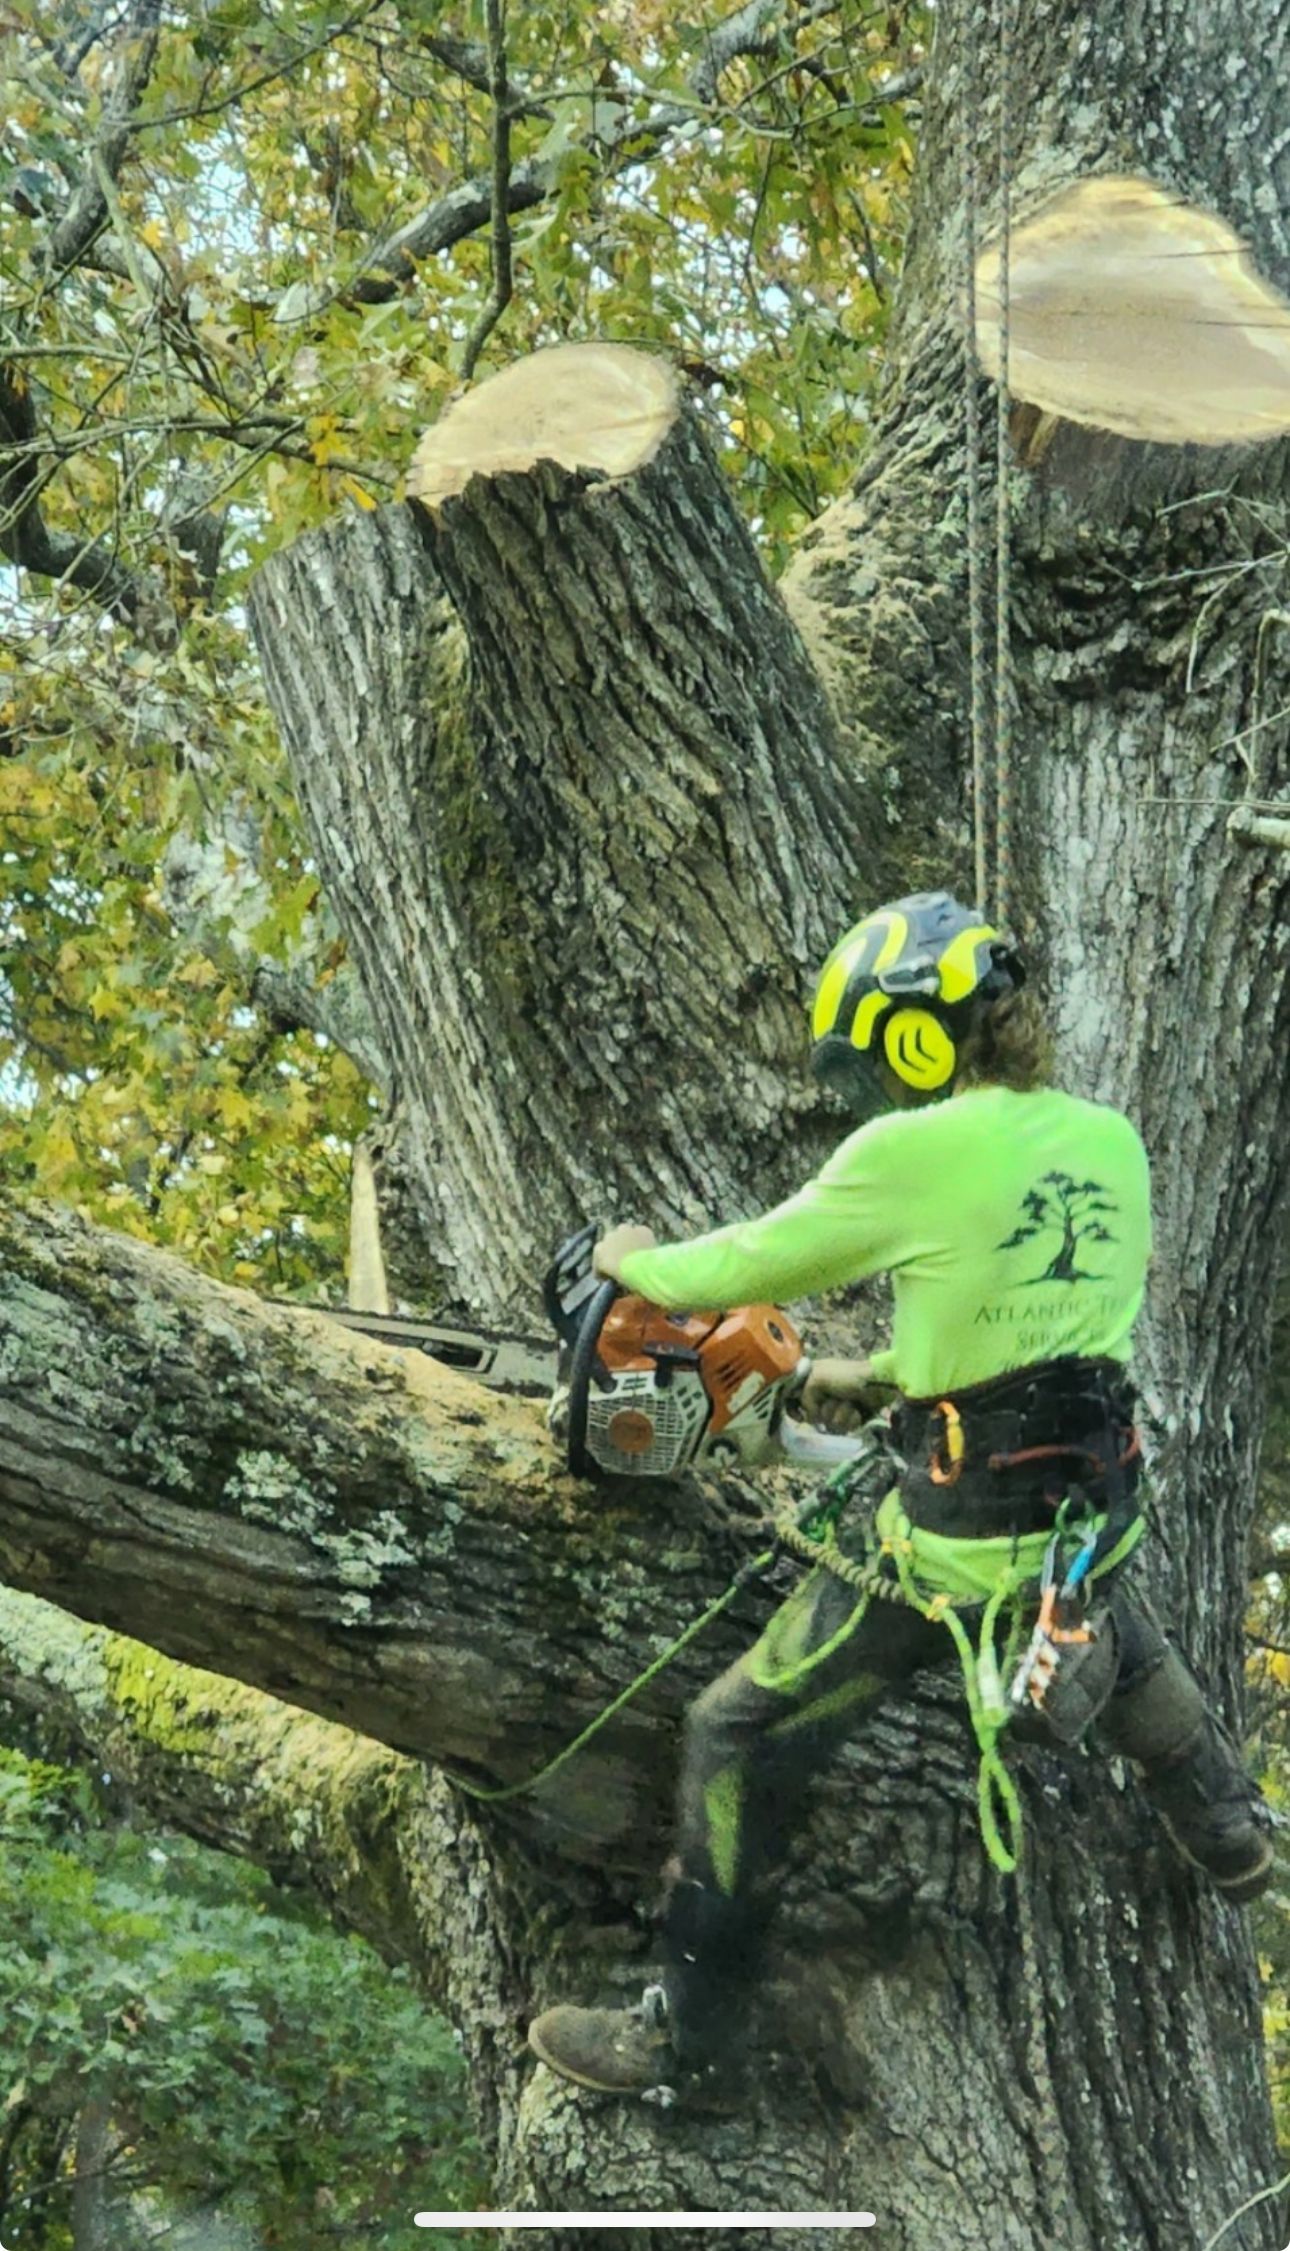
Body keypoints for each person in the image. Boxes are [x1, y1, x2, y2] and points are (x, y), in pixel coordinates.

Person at [526, 891, 1273, 2102]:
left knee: (733, 1729)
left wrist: (629, 1253)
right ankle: (1230, 1827)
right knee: (1097, 1609)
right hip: (1089, 1514)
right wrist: (869, 1378)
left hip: (952, 1549)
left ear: (917, 1037)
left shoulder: (908, 1151)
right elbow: (1036, 1324)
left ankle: (686, 2043)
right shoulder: (1111, 1141)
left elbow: (734, 1268)